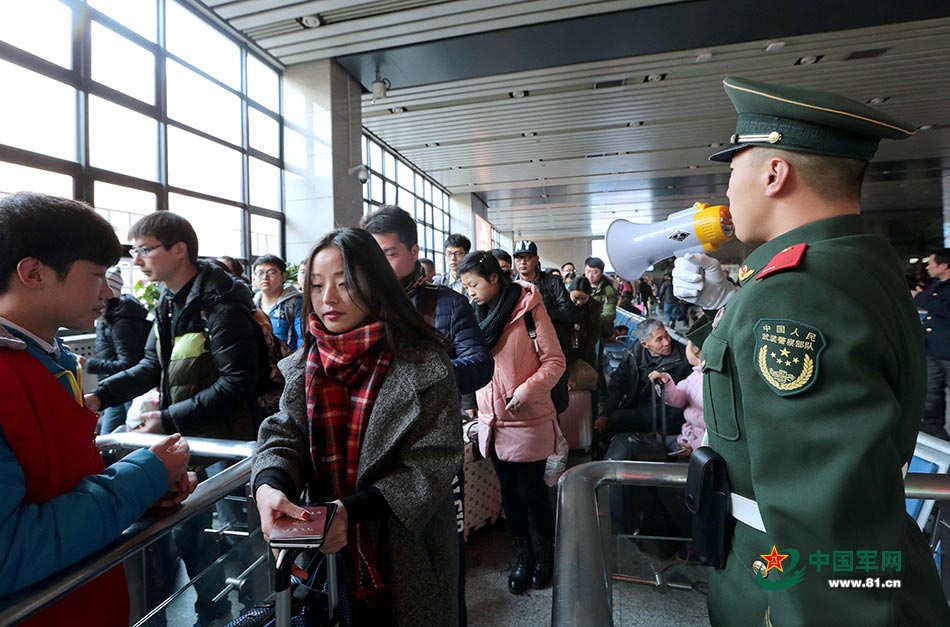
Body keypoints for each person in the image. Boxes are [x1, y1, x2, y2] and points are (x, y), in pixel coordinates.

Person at [672, 76, 949, 625]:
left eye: (733, 171)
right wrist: (722, 309)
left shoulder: (797, 290)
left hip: (789, 583)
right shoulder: (848, 261)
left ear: (775, 173)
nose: (726, 192)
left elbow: (820, 511)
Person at [0, 192, 194, 626]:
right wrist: (141, 477)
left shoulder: (47, 358)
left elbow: (53, 483)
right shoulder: (16, 370)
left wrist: (146, 491)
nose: (107, 291)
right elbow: (8, 551)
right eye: (96, 275)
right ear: (34, 273)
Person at [253, 227, 462, 626]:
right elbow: (284, 433)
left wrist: (350, 513)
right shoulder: (307, 363)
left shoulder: (424, 364)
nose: (327, 299)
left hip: (404, 551)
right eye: (316, 285)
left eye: (344, 284)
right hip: (323, 553)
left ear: (376, 284)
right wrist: (269, 482)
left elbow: (432, 464)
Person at [84, 210, 261, 625]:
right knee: (191, 529)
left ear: (179, 250)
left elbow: (238, 382)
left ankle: (258, 608)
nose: (138, 260)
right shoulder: (169, 302)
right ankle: (211, 607)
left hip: (230, 443)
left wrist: (166, 418)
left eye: (146, 250)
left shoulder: (220, 305)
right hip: (191, 437)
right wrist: (99, 397)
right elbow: (150, 364)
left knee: (241, 529)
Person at [360, 205, 494, 627]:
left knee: (442, 552)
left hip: (433, 447)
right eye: (372, 254)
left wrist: (413, 378)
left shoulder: (446, 303)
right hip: (373, 447)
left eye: (390, 253)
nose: (379, 264)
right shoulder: (361, 302)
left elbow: (480, 364)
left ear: (414, 250)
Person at [458, 251, 566, 595]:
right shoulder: (473, 316)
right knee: (510, 495)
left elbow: (554, 361)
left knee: (532, 492)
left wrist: (525, 391)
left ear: (493, 278)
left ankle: (545, 554)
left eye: (474, 284)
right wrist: (472, 404)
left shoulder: (529, 309)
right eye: (465, 286)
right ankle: (522, 553)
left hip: (527, 416)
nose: (470, 292)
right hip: (492, 420)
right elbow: (470, 363)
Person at [593, 319, 690, 458]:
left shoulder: (683, 359)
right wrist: (605, 413)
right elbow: (618, 383)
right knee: (603, 425)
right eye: (659, 339)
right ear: (645, 344)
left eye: (667, 335)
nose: (667, 342)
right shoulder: (634, 352)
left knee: (616, 421)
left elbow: (683, 400)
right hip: (638, 406)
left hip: (664, 413)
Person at [82, 266, 150, 433]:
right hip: (117, 386)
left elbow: (128, 363)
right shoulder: (108, 318)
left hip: (124, 387)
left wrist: (89, 364)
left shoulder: (121, 323)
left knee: (116, 434)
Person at [913, 249, 950, 440]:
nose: (927, 266)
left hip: (946, 352)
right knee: (931, 401)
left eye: (932, 263)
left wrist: (920, 298)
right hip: (933, 351)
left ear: (944, 265)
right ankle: (938, 442)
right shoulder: (937, 285)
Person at [252, 254, 303, 351]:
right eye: (260, 273)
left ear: (283, 276)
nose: (265, 277)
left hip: (287, 363)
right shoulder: (252, 305)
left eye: (271, 272)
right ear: (254, 277)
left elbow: (304, 341)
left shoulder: (295, 303)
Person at [567, 275, 602, 368]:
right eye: (576, 298)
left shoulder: (594, 307)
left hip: (586, 347)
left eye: (583, 299)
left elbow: (595, 332)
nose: (579, 302)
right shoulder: (563, 304)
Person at [584, 257, 617, 338]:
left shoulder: (608, 290)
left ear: (601, 272)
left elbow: (609, 314)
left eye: (594, 272)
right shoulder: (578, 285)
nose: (590, 275)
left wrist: (590, 320)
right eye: (588, 272)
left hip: (599, 328)